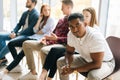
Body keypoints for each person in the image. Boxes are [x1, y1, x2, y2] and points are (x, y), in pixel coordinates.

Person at [0, 4, 56, 80]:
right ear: (42, 11)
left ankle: (6, 71)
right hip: (33, 38)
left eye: (48, 10)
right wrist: (39, 20)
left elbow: (42, 31)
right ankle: (14, 67)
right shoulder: (42, 19)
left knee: (21, 52)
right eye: (45, 10)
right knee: (11, 43)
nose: (47, 11)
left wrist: (38, 31)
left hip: (39, 40)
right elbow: (35, 30)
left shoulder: (51, 20)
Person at [22, 0, 73, 80]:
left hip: (60, 44)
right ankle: (33, 72)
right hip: (50, 42)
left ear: (69, 7)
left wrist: (56, 39)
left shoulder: (73, 21)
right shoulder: (61, 20)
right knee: (26, 43)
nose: (61, 9)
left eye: (62, 7)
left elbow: (72, 39)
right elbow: (52, 32)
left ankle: (44, 77)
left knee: (44, 50)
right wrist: (45, 38)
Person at [57, 13, 115, 80]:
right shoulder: (71, 34)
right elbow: (69, 52)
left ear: (85, 24)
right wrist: (67, 65)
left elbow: (97, 64)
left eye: (77, 25)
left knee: (93, 76)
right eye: (71, 26)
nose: (75, 30)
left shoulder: (94, 36)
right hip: (86, 58)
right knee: (60, 62)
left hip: (105, 62)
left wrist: (73, 70)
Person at [0, 0, 39, 66]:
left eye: (28, 1)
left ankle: (1, 57)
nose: (26, 2)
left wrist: (17, 34)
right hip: (19, 34)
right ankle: (3, 58)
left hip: (27, 36)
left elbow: (29, 30)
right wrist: (13, 32)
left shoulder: (36, 15)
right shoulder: (25, 13)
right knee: (0, 36)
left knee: (11, 42)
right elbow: (19, 24)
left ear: (33, 3)